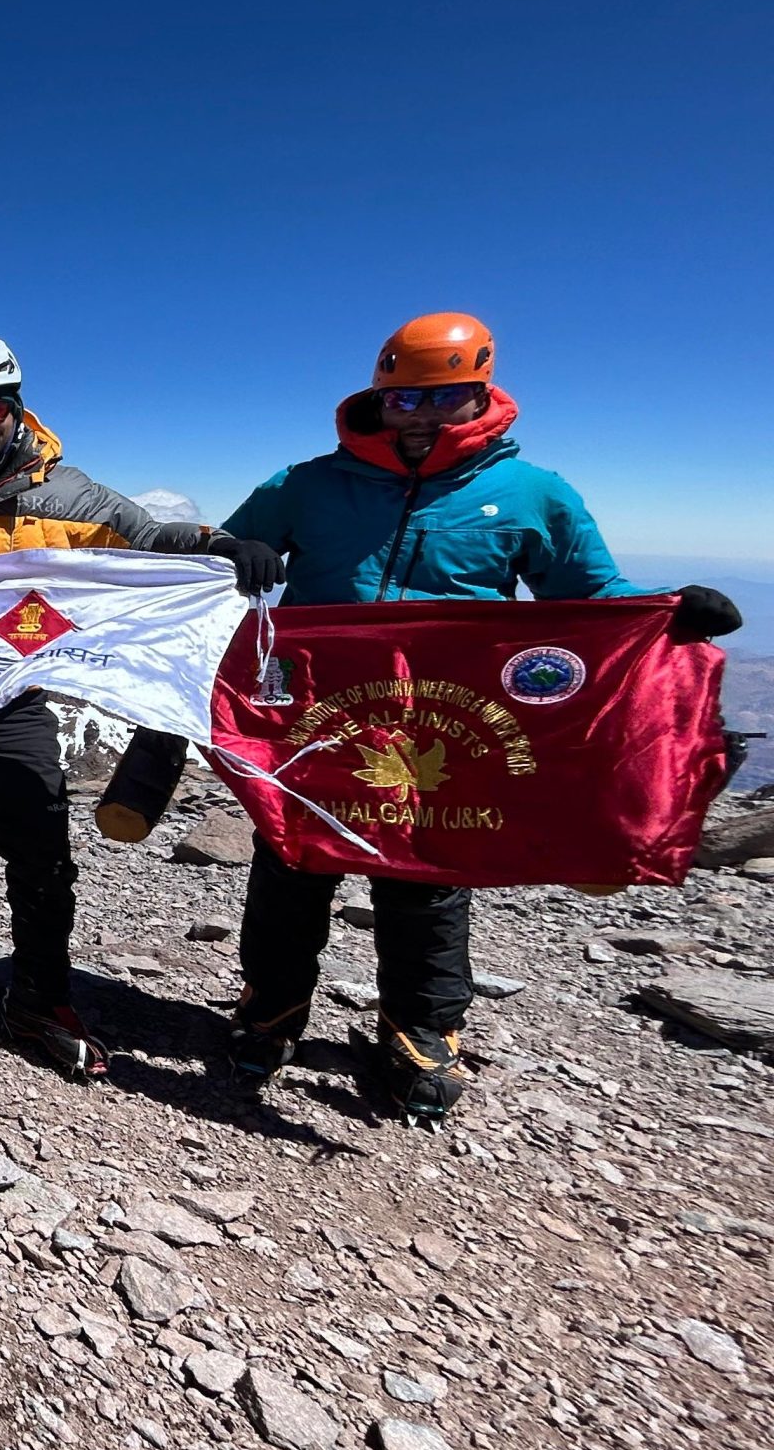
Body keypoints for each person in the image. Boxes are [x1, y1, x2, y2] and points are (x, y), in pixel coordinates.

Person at [218, 312, 741, 1121]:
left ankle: (420, 1032)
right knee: (293, 858)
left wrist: (668, 615)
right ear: (377, 397)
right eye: (405, 399)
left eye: (447, 397)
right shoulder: (306, 484)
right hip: (324, 712)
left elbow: (590, 597)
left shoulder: (532, 494)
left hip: (451, 719)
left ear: (481, 393)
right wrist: (234, 550)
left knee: (428, 871)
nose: (422, 415)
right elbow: (221, 554)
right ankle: (271, 1008)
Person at [0, 336, 279, 1076]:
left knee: (42, 851)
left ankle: (40, 995)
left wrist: (222, 547)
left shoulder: (71, 495)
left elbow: (149, 542)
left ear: (15, 410)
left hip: (16, 699)